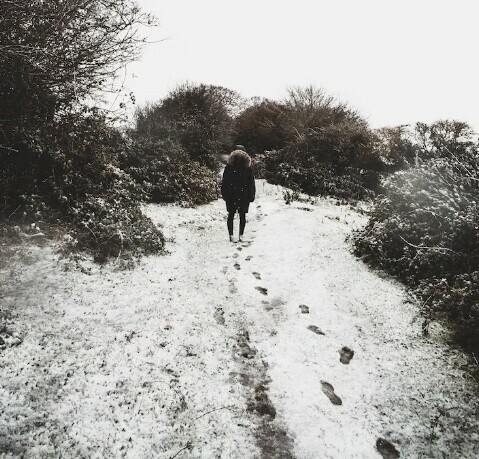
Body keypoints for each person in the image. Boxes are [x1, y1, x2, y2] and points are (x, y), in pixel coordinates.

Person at [221, 145, 256, 242]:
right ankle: (241, 235)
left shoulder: (229, 166)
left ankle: (231, 235)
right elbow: (251, 183)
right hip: (244, 194)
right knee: (242, 215)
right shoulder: (247, 167)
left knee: (231, 215)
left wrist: (224, 194)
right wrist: (251, 195)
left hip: (231, 194)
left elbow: (225, 182)